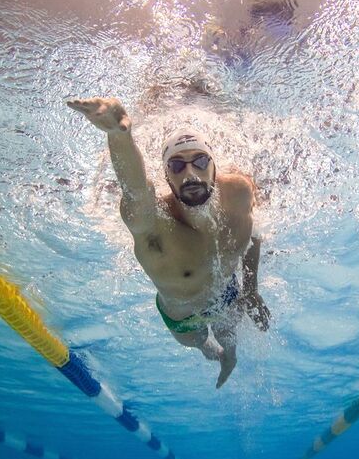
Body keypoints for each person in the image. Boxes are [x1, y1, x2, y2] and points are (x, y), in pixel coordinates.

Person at [67, 97, 270, 388]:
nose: (190, 174)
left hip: (226, 295)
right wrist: (119, 136)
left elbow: (254, 234)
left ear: (214, 167)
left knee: (229, 335)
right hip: (182, 316)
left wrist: (251, 291)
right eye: (176, 166)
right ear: (166, 177)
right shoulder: (155, 226)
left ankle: (230, 358)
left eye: (200, 162)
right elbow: (136, 190)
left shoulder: (238, 193)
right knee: (201, 344)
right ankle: (214, 355)